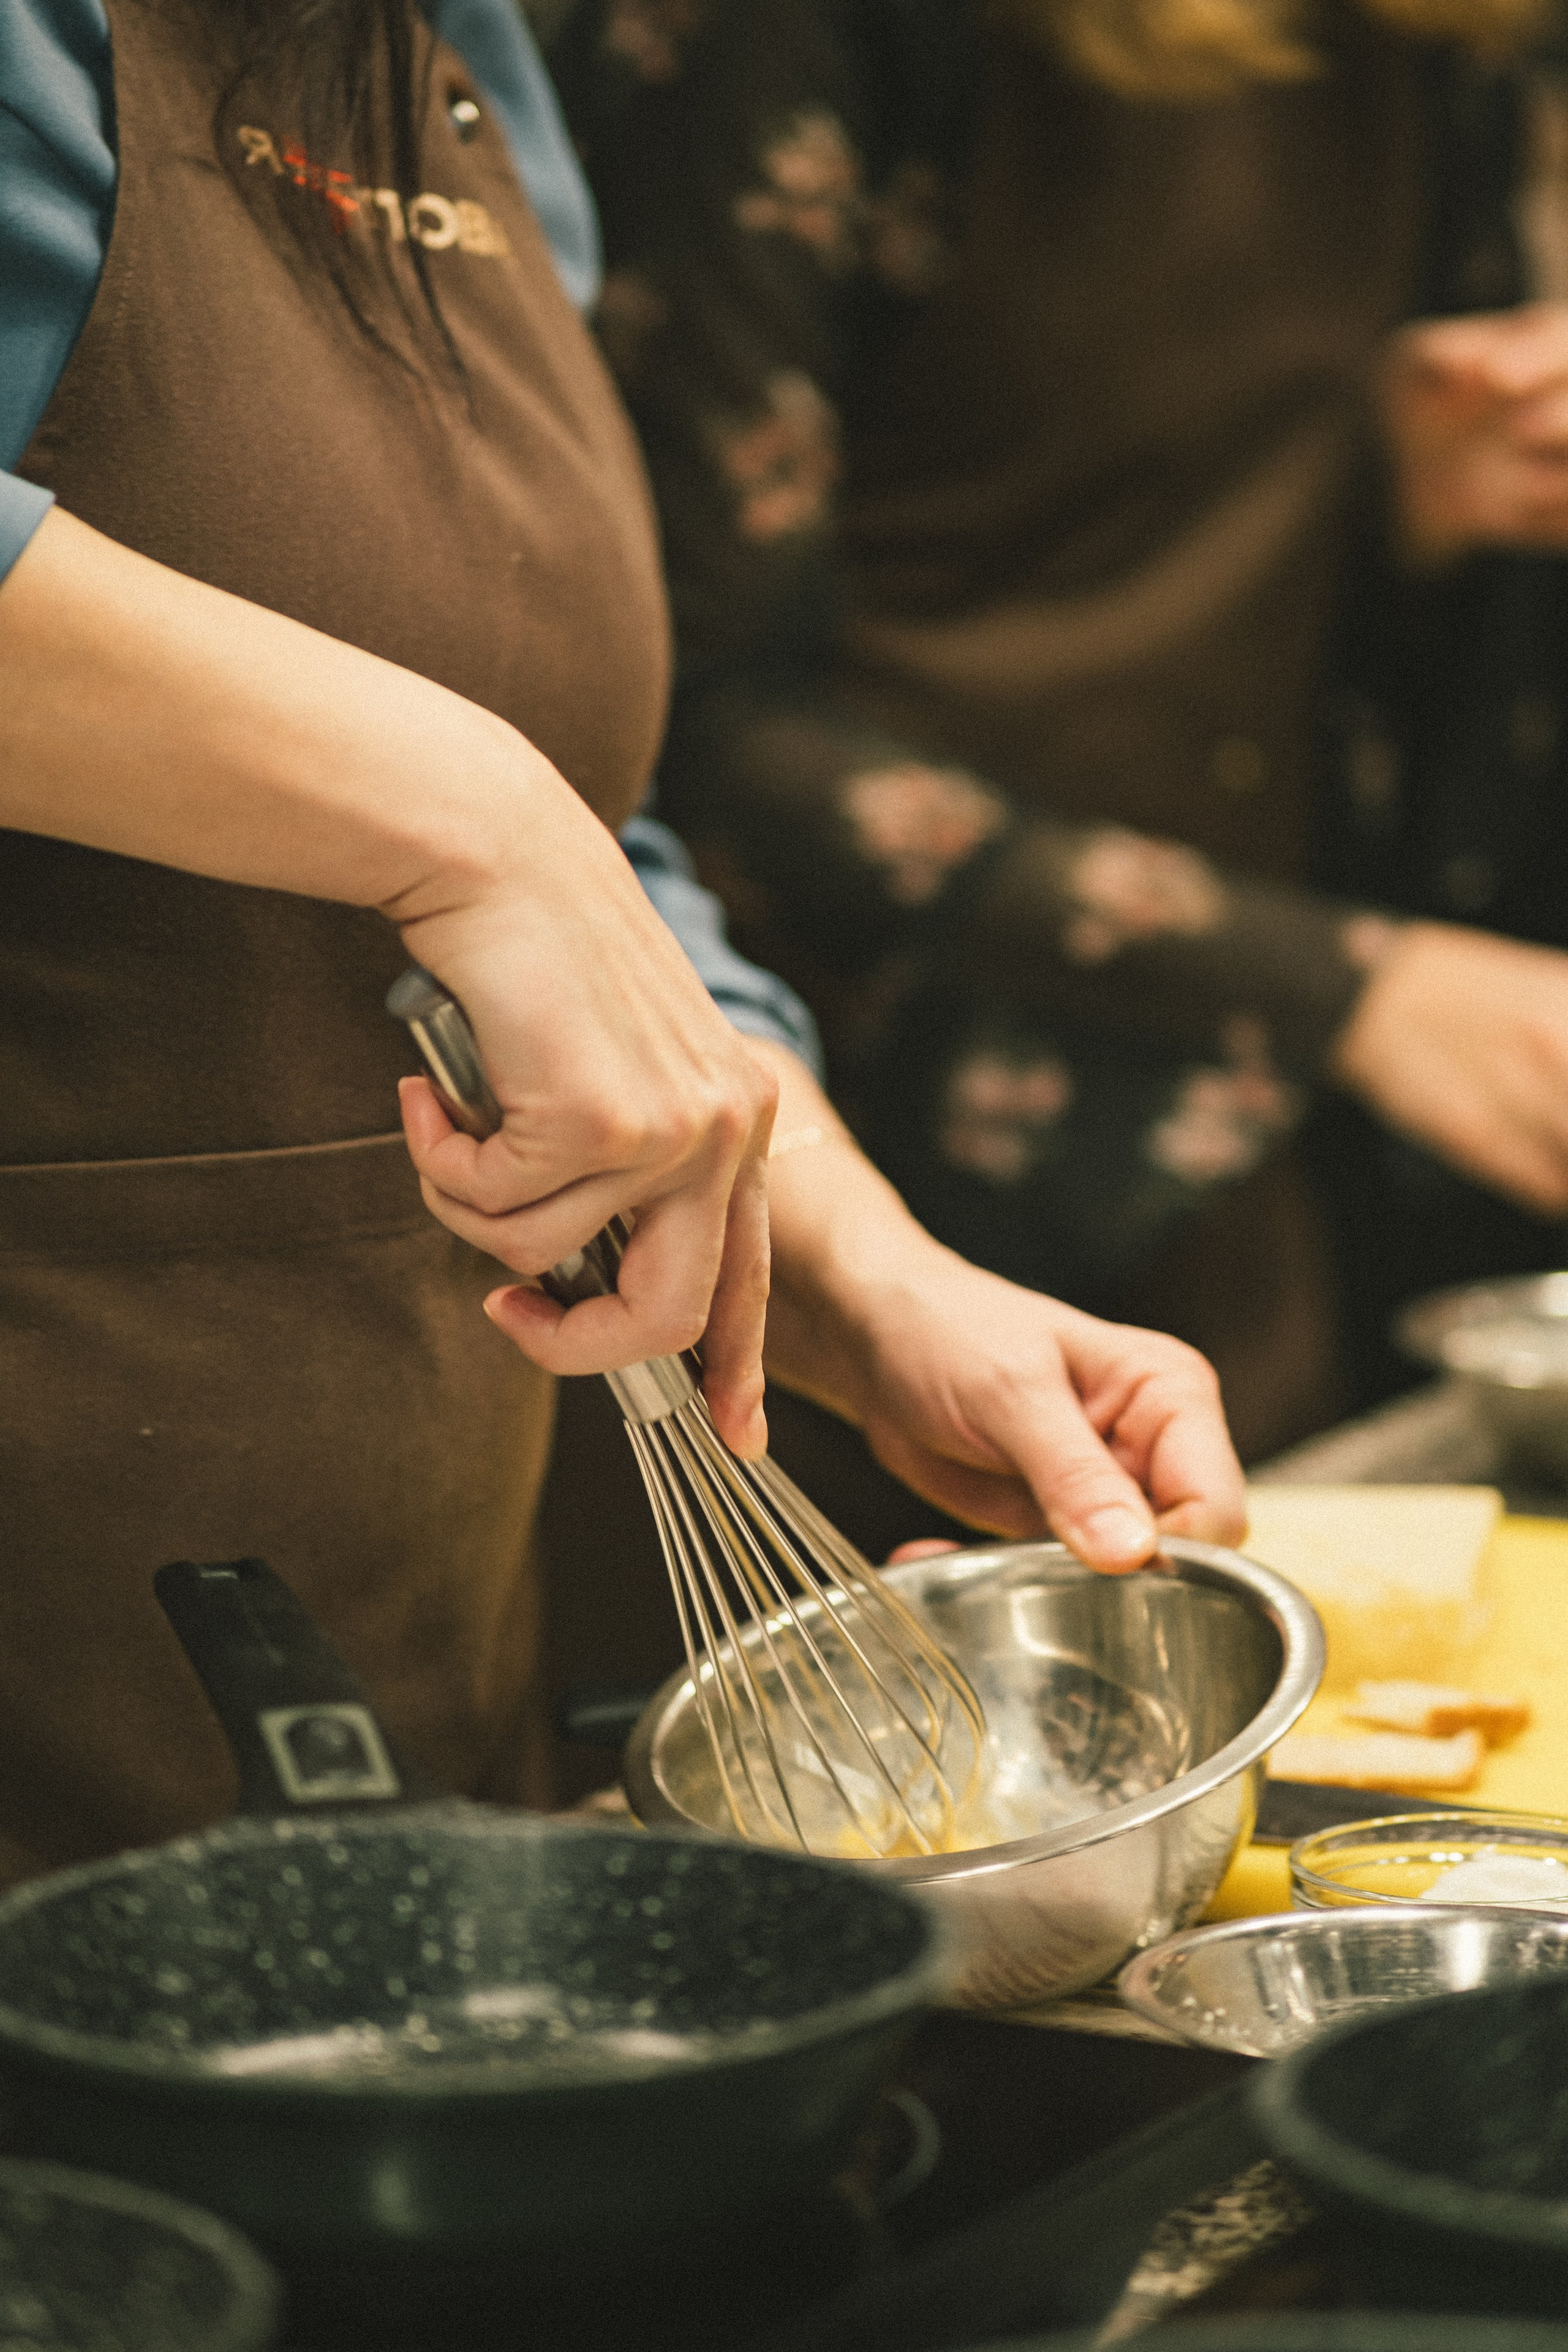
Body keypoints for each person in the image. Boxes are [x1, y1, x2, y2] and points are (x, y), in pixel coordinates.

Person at [0, 0, 1244, 1883]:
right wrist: (467, 817)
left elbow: (591, 838)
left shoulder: (465, 58)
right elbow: (498, 825)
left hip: (386, 1639)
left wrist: (853, 1261)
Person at [549, 0, 1568, 1461]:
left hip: (1242, 1151)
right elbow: (687, 721)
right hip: (841, 1149)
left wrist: (1383, 494)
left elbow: (1192, 574)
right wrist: (1348, 988)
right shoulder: (791, 36)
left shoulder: (1423, 48)